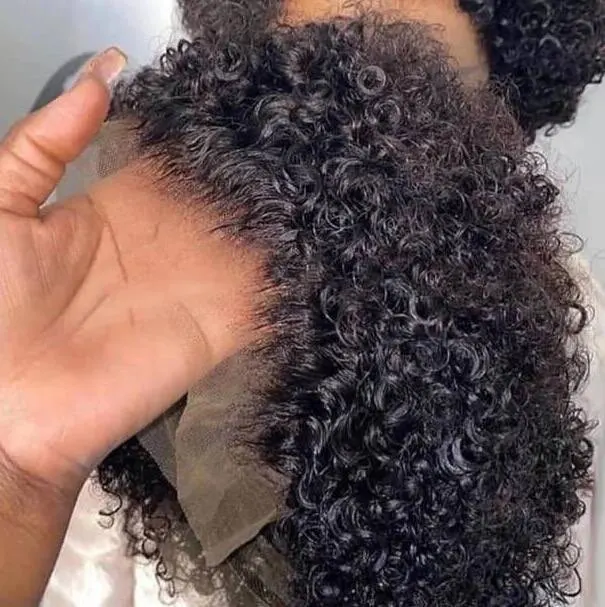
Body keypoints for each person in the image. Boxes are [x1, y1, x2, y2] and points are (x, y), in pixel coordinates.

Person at [0, 1, 604, 607]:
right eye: (315, 78)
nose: (352, 161)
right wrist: (19, 469)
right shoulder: (103, 301)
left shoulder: (568, 338)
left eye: (425, 96)